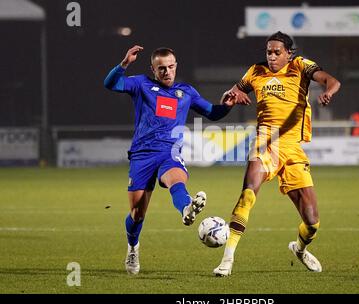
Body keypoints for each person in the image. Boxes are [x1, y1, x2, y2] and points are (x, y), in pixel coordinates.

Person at [213, 31, 341, 276]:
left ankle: (300, 249)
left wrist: (328, 93)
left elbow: (332, 81)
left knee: (312, 222)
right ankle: (227, 259)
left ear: (288, 53)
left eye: (276, 52)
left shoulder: (300, 66)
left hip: (292, 147)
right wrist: (232, 97)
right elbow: (226, 98)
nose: (271, 57)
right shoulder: (255, 72)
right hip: (265, 142)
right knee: (248, 194)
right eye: (268, 52)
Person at [104, 45, 240, 275]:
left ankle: (187, 208)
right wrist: (124, 64)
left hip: (170, 151)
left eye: (170, 67)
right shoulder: (140, 84)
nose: (167, 72)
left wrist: (226, 106)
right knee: (137, 213)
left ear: (176, 66)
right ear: (153, 69)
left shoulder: (186, 92)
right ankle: (133, 248)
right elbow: (110, 84)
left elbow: (212, 112)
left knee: (176, 181)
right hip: (142, 154)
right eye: (161, 68)